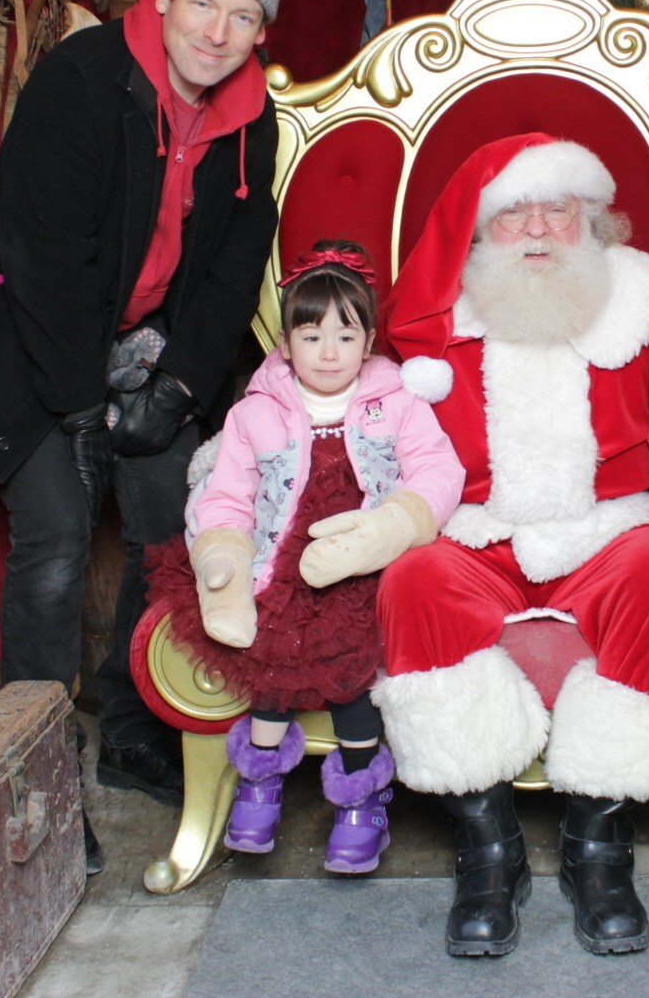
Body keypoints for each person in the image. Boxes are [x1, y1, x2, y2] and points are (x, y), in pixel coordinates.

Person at [0, 0, 285, 871]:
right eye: (202, 3)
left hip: (143, 343)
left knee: (177, 521)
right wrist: (80, 408)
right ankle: (39, 773)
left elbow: (233, 269)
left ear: (261, 30)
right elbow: (41, 256)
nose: (216, 32)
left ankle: (136, 728)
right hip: (30, 339)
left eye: (242, 15)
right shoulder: (83, 78)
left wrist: (175, 387)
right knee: (55, 539)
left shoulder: (254, 118)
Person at [374, 133, 649, 958]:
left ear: (593, 220)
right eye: (514, 214)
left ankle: (600, 846)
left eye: (558, 210)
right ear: (480, 231)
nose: (538, 231)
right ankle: (490, 850)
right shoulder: (441, 320)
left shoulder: (645, 306)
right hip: (477, 531)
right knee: (413, 582)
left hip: (609, 527)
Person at [143, 241, 464, 873]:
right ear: (286, 344)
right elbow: (227, 493)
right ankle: (259, 780)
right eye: (311, 336)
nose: (328, 352)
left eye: (345, 337)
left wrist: (395, 523)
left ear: (368, 344)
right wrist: (224, 552)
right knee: (273, 660)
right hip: (282, 561)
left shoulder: (397, 401)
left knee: (350, 671)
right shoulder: (255, 412)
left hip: (364, 560)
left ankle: (361, 795)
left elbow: (438, 471)